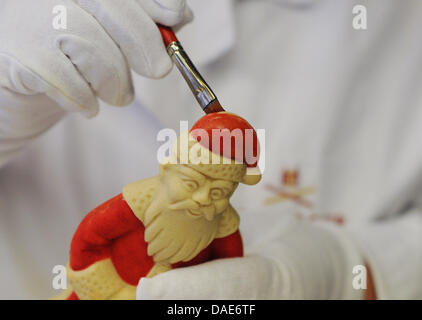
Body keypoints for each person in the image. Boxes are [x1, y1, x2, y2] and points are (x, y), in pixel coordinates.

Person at [1, 0, 421, 300]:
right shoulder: (141, 200)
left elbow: (231, 265)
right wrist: (90, 276)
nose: (204, 199)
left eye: (219, 191)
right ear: (170, 163)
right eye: (194, 180)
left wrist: (356, 271)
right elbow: (93, 234)